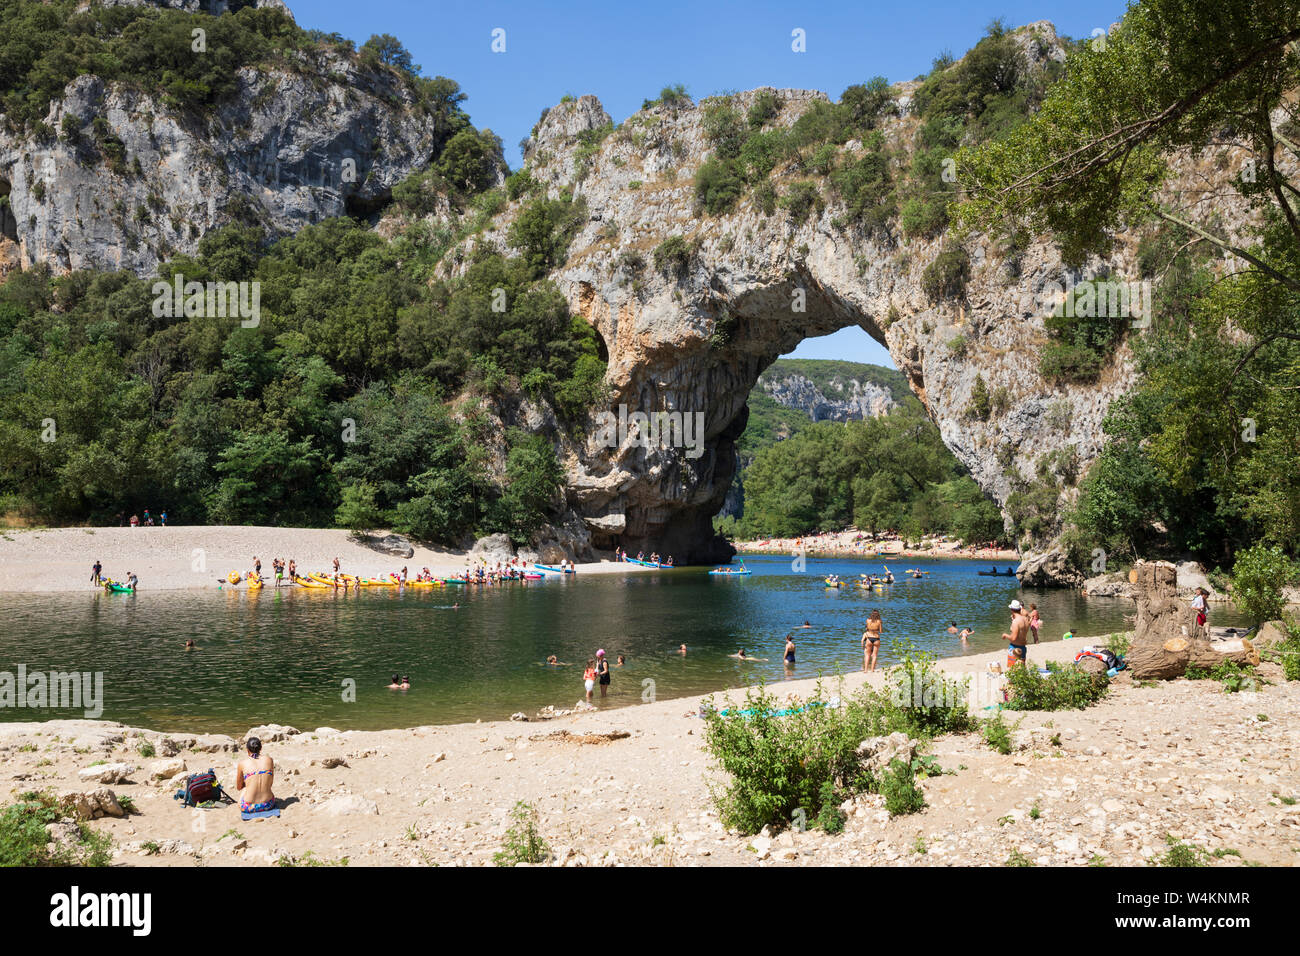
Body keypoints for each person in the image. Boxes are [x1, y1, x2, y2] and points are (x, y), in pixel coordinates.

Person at [235, 736, 275, 815]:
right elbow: (270, 783)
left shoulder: (242, 763)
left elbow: (239, 787)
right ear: (261, 748)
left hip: (248, 807)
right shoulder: (269, 760)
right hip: (268, 804)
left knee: (245, 788)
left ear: (247, 750)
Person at [1003, 600, 1030, 668]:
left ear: (1012, 610)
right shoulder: (1025, 619)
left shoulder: (1016, 621)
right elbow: (1022, 631)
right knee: (1021, 670)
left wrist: (1005, 635)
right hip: (1023, 648)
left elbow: (1013, 638)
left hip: (1015, 648)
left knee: (1011, 669)